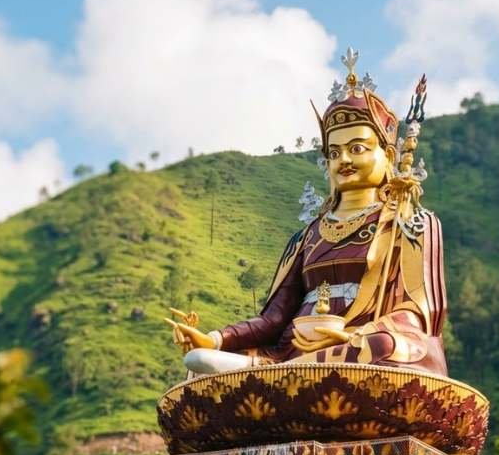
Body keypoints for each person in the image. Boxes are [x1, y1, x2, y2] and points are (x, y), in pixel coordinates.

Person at [168, 50, 448, 376]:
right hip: (293, 347)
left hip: (362, 348)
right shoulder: (306, 238)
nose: (343, 159)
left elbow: (418, 312)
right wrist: (215, 339)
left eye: (357, 148)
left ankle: (277, 375)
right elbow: (273, 319)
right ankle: (279, 371)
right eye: (334, 152)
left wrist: (356, 334)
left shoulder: (412, 223)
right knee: (198, 364)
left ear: (387, 155)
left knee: (386, 348)